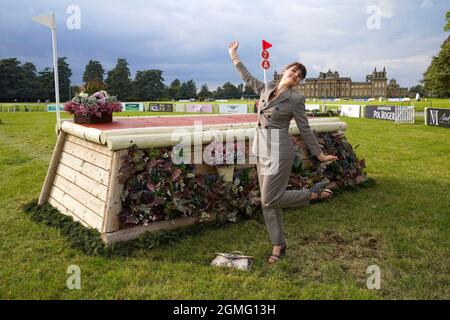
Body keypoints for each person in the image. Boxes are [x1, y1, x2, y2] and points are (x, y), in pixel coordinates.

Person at [228, 40, 338, 264]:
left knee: (268, 198)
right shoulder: (266, 88)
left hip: (279, 150)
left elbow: (304, 127)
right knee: (270, 202)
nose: (296, 75)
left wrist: (318, 154)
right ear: (285, 71)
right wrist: (235, 58)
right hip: (260, 149)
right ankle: (278, 245)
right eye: (294, 70)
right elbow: (248, 78)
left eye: (300, 75)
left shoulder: (296, 99)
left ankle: (313, 194)